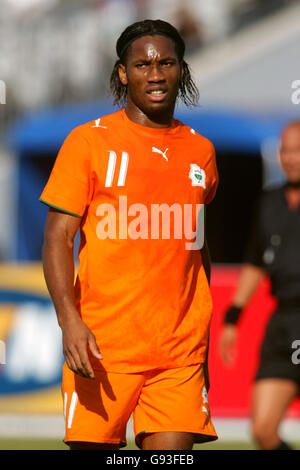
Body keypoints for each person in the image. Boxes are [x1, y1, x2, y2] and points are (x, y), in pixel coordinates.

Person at [40, 19, 219, 451]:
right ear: (123, 73)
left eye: (166, 63)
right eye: (142, 65)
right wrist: (69, 323)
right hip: (103, 349)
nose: (155, 75)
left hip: (179, 353)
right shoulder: (88, 142)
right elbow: (58, 240)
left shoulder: (202, 151)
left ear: (181, 69)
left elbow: (196, 247)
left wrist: (203, 344)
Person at [219, 120, 300, 450]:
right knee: (263, 430)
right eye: (285, 150)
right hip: (283, 326)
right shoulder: (269, 201)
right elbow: (255, 262)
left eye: (298, 150)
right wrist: (233, 317)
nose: (290, 157)